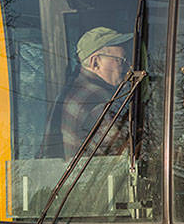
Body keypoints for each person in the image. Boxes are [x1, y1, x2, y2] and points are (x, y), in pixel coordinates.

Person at [40, 26, 132, 158]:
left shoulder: (69, 92)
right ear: (95, 63)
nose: (127, 66)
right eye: (120, 60)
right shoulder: (99, 99)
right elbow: (120, 155)